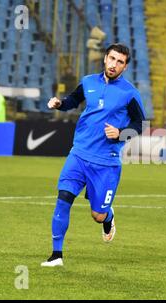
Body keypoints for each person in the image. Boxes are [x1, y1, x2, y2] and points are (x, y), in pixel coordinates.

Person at [41, 43, 146, 267]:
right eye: (112, 59)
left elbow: (140, 125)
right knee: (63, 199)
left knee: (97, 215)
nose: (114, 64)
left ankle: (108, 218)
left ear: (125, 67)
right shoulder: (88, 82)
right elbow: (72, 100)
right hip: (78, 154)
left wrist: (120, 134)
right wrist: (59, 104)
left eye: (120, 62)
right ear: (105, 58)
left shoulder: (129, 93)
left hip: (105, 163)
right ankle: (56, 254)